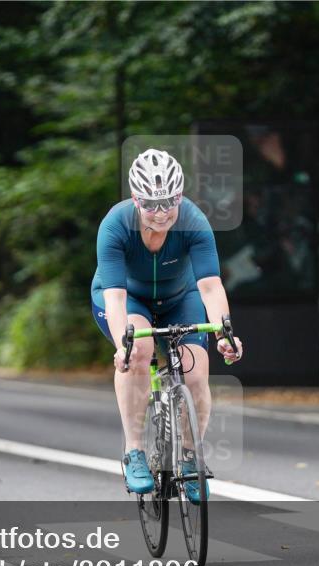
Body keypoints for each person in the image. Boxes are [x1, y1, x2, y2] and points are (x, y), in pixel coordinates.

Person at [91, 149, 243, 501]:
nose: (160, 214)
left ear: (180, 195)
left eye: (168, 203)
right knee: (140, 350)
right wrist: (122, 347)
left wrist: (225, 333)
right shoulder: (115, 225)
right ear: (135, 199)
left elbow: (210, 286)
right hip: (127, 298)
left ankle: (190, 456)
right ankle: (134, 452)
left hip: (180, 296)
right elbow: (114, 298)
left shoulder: (194, 220)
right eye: (150, 205)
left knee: (196, 371)